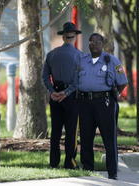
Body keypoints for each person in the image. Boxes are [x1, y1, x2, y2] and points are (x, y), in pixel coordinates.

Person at [78, 33, 128, 179]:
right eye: (91, 42)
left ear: (103, 43)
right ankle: (88, 169)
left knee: (109, 138)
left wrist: (112, 95)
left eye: (97, 42)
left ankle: (112, 172)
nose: (94, 44)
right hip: (85, 102)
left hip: (105, 103)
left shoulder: (112, 60)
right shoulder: (82, 60)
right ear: (88, 44)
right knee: (86, 137)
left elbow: (122, 82)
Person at [42, 22, 83, 169]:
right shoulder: (80, 56)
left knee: (56, 131)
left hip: (55, 96)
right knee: (71, 131)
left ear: (63, 37)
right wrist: (65, 93)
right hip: (71, 97)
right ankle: (69, 162)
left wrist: (53, 91)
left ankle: (53, 162)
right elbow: (79, 80)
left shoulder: (51, 54)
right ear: (74, 37)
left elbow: (45, 77)